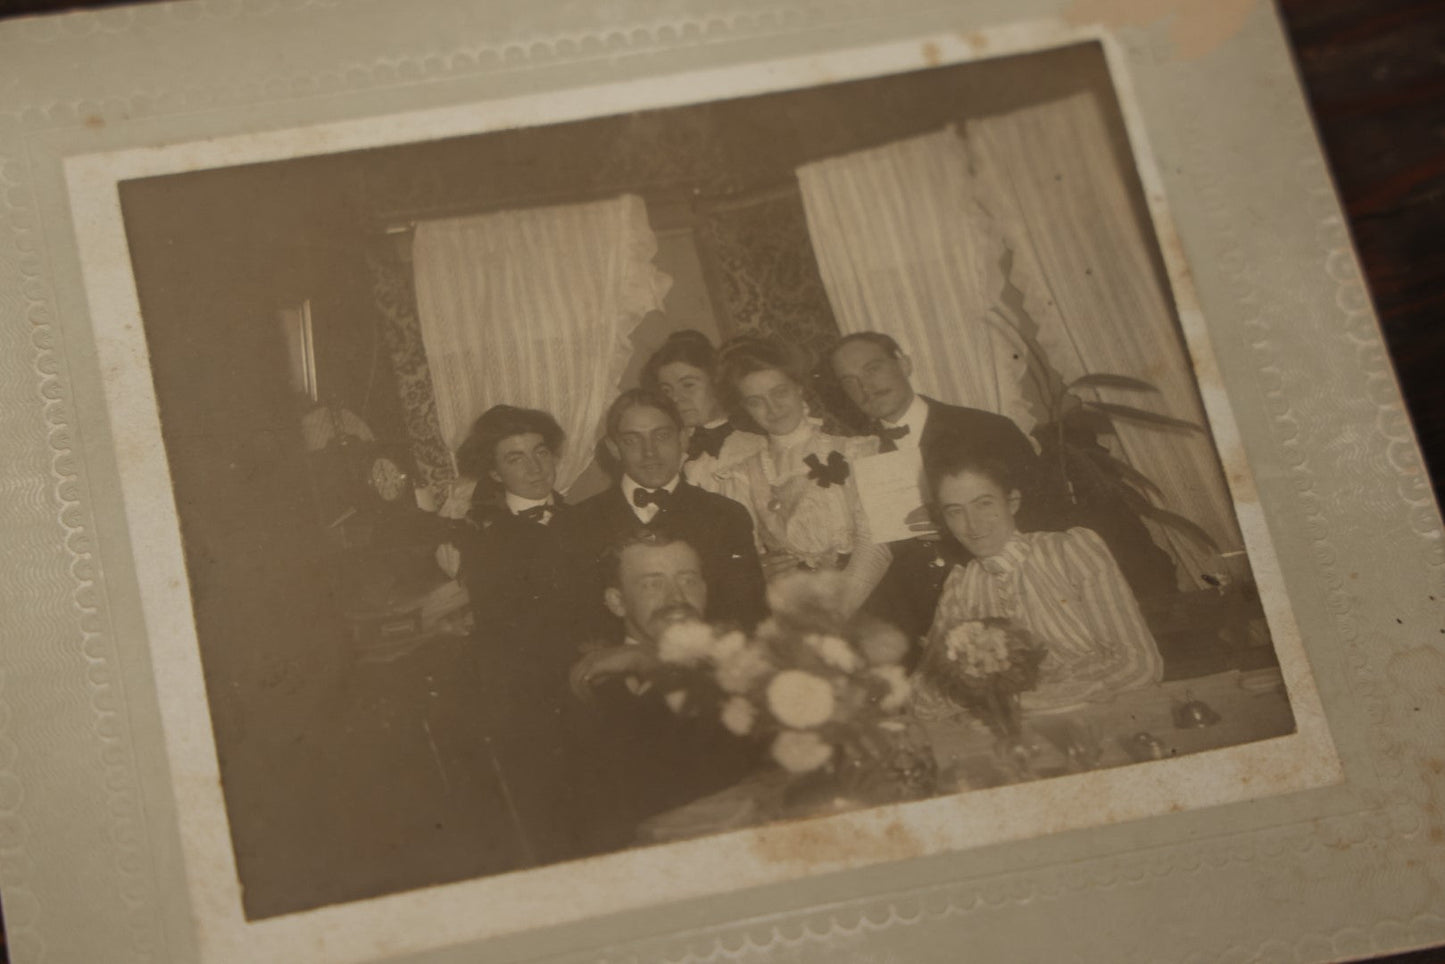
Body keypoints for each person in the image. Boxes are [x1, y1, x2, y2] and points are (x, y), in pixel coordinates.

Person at [827, 331, 1071, 640]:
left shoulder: (986, 429)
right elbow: (874, 550)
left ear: (904, 364)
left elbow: (1045, 519)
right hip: (921, 624)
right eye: (849, 381)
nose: (864, 388)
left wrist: (956, 524)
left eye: (872, 368)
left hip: (1007, 602)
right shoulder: (862, 453)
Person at [922, 439, 1163, 711]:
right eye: (955, 511)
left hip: (1110, 712)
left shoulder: (1070, 552)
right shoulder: (959, 587)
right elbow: (927, 693)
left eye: (984, 504)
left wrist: (1043, 696)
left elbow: (1141, 663)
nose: (972, 524)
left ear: (1012, 502)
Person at [567, 527, 761, 854]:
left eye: (687, 580)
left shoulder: (746, 662)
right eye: (652, 584)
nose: (676, 598)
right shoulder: (596, 681)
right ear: (617, 602)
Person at [451, 404, 586, 866]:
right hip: (530, 701)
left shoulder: (589, 522)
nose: (535, 468)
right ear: (492, 470)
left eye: (541, 452)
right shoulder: (480, 540)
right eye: (515, 458)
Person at [557, 388, 767, 636]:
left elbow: (747, 616)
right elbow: (570, 622)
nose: (650, 452)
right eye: (632, 440)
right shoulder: (575, 523)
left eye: (662, 436)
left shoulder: (726, 516)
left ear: (683, 439)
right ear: (614, 448)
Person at [713, 337, 890, 616]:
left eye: (780, 392)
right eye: (756, 401)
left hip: (866, 605)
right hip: (794, 614)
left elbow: (878, 544)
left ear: (799, 388)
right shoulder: (741, 477)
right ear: (744, 408)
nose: (772, 409)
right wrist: (759, 571)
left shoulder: (855, 451)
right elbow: (737, 562)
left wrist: (837, 612)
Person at [640, 329, 764, 493]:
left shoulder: (755, 442)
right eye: (667, 390)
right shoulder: (671, 451)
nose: (676, 398)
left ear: (716, 381)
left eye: (688, 385)